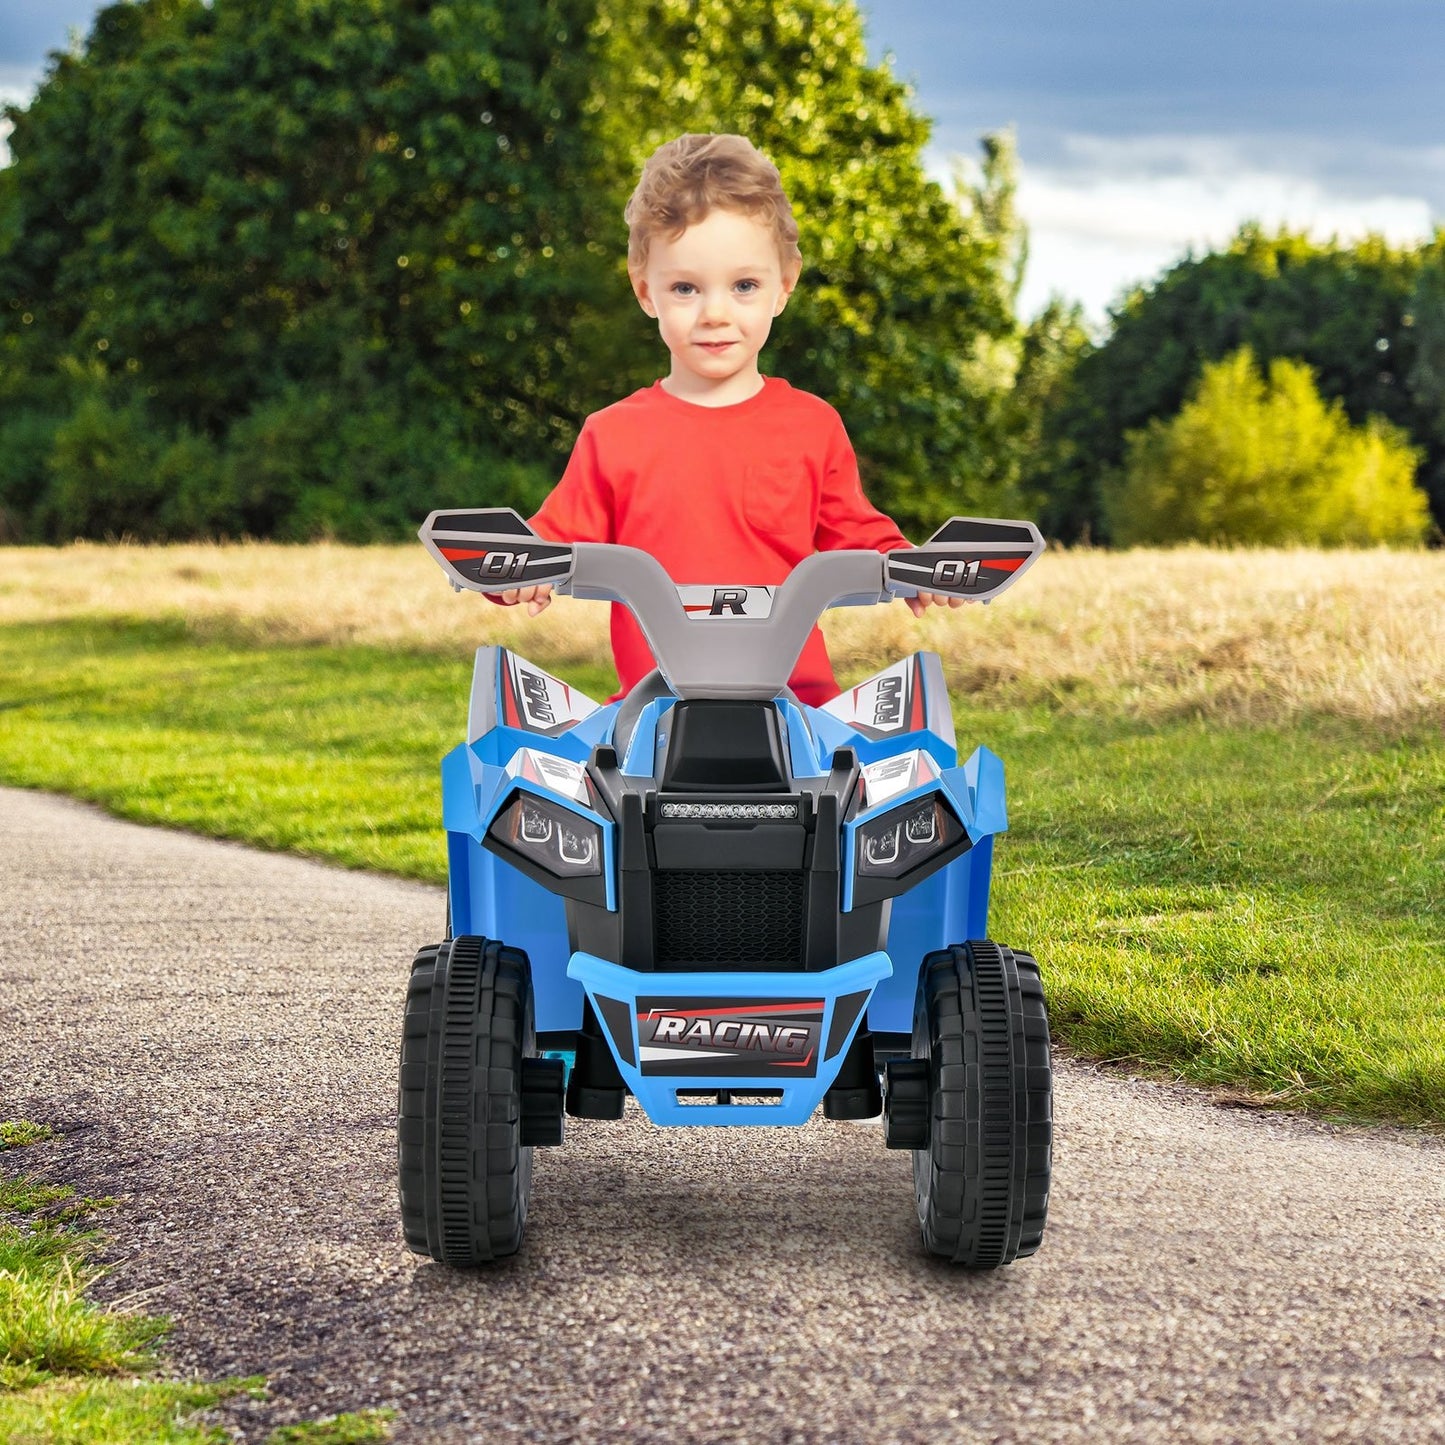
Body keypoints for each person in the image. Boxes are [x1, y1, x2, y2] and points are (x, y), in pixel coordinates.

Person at [492, 132, 963, 706]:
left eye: (744, 286)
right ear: (646, 293)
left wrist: (910, 568)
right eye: (686, 288)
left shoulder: (812, 426)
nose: (716, 313)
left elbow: (859, 534)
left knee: (911, 752)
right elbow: (552, 541)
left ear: (783, 287)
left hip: (798, 707)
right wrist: (517, 575)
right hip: (653, 714)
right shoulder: (612, 435)